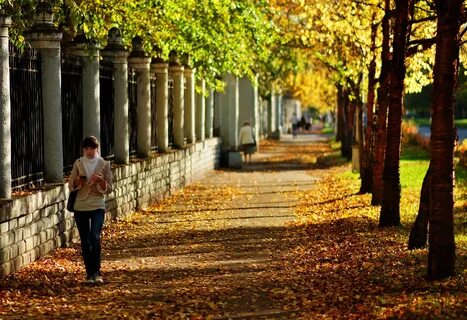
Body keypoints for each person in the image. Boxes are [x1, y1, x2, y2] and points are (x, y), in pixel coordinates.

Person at [69, 136, 113, 285]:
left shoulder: (104, 164)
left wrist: (101, 181)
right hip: (80, 205)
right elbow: (70, 185)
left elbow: (109, 188)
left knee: (95, 236)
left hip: (97, 204)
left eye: (92, 148)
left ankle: (97, 272)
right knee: (85, 240)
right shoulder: (78, 162)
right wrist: (78, 181)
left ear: (97, 149)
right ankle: (89, 273)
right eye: (86, 148)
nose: (89, 151)